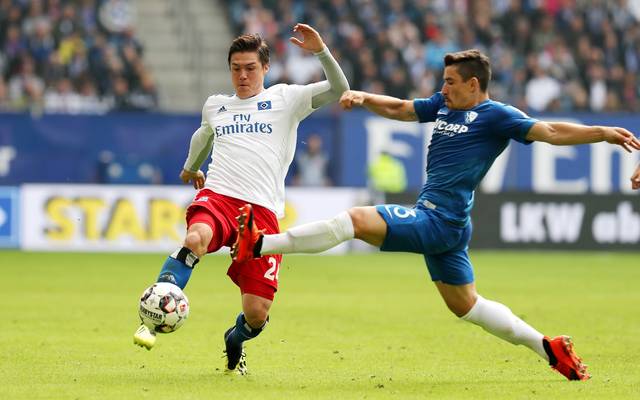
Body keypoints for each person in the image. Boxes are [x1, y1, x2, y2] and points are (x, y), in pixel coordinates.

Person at [232, 49, 640, 381]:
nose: (443, 89)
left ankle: (261, 244)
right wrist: (363, 97)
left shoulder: (497, 116)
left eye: (450, 82)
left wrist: (603, 133)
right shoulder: (443, 106)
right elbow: (402, 108)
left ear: (473, 84)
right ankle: (549, 348)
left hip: (438, 219)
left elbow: (550, 132)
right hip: (449, 225)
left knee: (353, 221)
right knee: (467, 306)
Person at [133, 24, 349, 375]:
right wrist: (191, 168)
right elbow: (203, 136)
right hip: (219, 197)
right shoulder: (216, 105)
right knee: (195, 239)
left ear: (265, 68)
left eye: (250, 68)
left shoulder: (286, 99)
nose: (243, 76)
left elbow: (340, 89)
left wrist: (321, 51)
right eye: (236, 69)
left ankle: (235, 339)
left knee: (256, 313)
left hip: (261, 215)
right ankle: (153, 315)